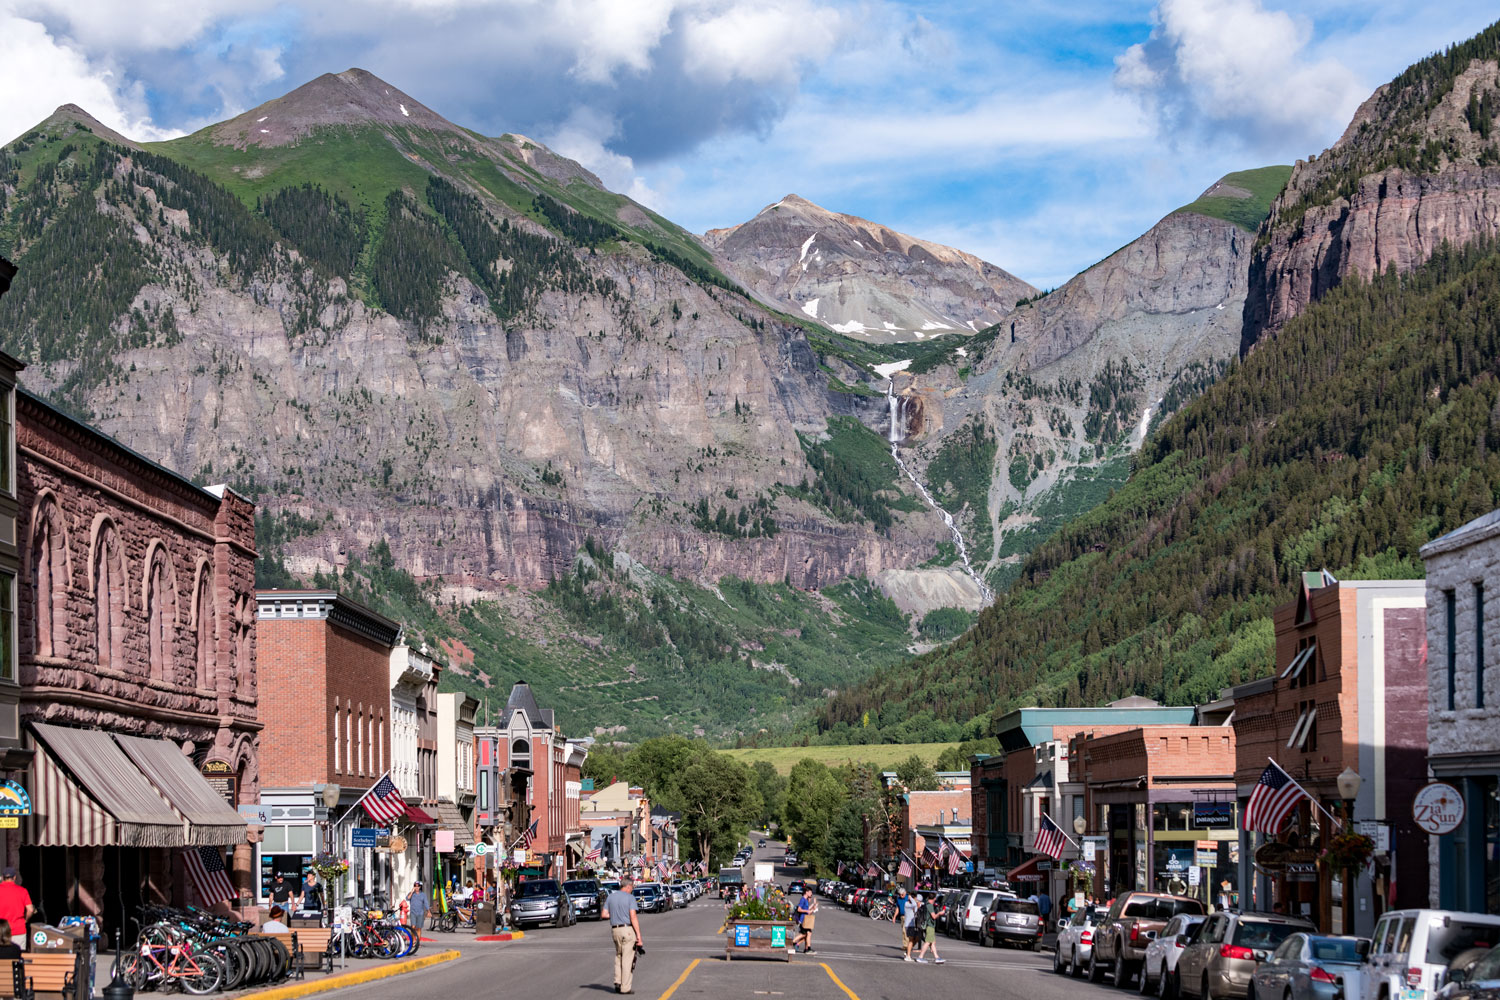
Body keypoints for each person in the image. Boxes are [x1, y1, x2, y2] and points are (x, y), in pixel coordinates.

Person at [603, 876, 643, 995]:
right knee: (627, 959)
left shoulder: (611, 897)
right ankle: (625, 987)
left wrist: (615, 915)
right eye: (632, 887)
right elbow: (633, 917)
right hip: (627, 929)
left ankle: (618, 981)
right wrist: (639, 936)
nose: (632, 889)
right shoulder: (630, 898)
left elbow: (604, 914)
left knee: (619, 956)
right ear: (628, 886)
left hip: (615, 930)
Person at [0, 869, 33, 943]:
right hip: (18, 929)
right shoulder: (22, 891)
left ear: (2, 878)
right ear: (14, 877)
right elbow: (30, 909)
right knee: (18, 953)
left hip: (1, 930)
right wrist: (26, 920)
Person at [914, 892, 946, 965]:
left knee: (932, 942)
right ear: (934, 898)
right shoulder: (930, 906)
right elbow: (934, 916)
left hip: (927, 925)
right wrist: (940, 913)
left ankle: (937, 957)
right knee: (928, 941)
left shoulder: (926, 904)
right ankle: (920, 957)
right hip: (930, 925)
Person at [790, 889, 817, 954]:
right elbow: (799, 909)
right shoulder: (803, 899)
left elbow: (807, 909)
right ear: (806, 892)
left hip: (805, 919)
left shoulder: (806, 900)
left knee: (806, 934)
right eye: (810, 892)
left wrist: (813, 906)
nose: (811, 894)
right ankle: (793, 942)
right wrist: (807, 911)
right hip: (803, 920)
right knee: (806, 934)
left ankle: (806, 948)